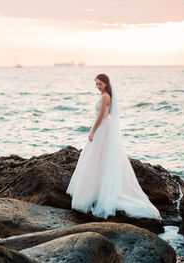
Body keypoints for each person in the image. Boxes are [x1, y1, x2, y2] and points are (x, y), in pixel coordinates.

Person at [66, 73, 161, 219]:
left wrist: (92, 131)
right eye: (96, 84)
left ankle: (95, 192)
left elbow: (100, 116)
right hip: (105, 127)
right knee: (100, 159)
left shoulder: (105, 97)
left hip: (102, 128)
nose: (98, 87)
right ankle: (97, 191)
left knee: (95, 159)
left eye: (100, 84)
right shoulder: (106, 96)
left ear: (106, 84)